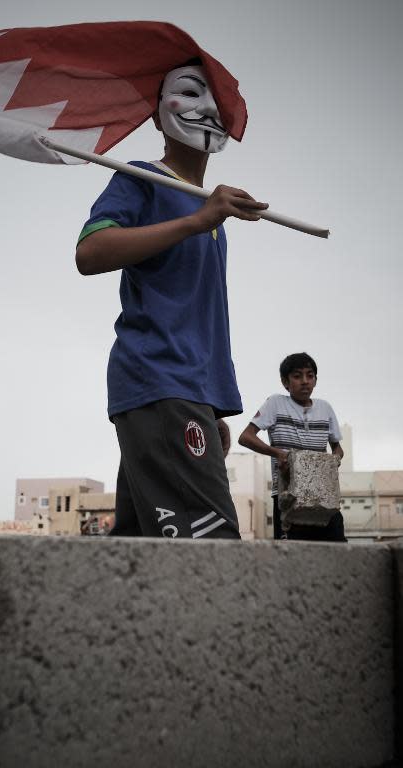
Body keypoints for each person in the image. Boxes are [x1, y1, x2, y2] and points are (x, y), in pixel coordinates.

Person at [76, 60, 267, 539]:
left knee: (137, 556)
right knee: (212, 548)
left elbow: (201, 318)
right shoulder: (142, 177)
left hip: (183, 395)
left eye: (217, 100)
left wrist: (212, 407)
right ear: (158, 116)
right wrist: (196, 221)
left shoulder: (214, 216)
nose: (207, 108)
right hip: (159, 381)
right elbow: (90, 251)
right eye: (189, 93)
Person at [238, 352, 345, 541]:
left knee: (336, 551)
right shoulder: (275, 403)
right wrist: (277, 454)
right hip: (288, 496)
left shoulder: (325, 408)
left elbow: (337, 448)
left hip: (323, 496)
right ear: (285, 382)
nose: (305, 381)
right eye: (297, 376)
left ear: (315, 380)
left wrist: (334, 460)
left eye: (310, 375)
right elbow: (246, 437)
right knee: (292, 556)